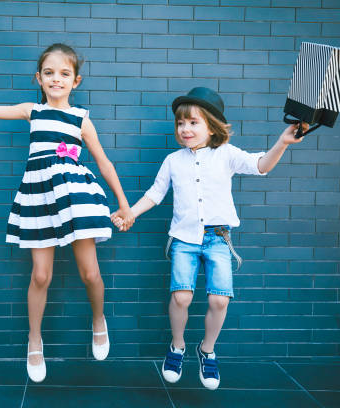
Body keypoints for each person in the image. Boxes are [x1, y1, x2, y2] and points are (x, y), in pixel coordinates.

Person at [0, 43, 135, 383]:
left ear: (75, 81)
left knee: (90, 273)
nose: (56, 79)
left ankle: (98, 320)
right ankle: (35, 339)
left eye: (64, 74)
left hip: (75, 197)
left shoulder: (82, 119)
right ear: (39, 77)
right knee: (41, 276)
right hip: (38, 197)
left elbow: (104, 163)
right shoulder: (32, 111)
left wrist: (123, 203)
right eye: (49, 73)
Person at [112, 87, 306, 390]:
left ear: (212, 125)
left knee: (219, 299)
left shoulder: (226, 154)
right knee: (181, 296)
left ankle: (207, 350)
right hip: (184, 241)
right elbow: (154, 194)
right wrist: (129, 214)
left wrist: (282, 142)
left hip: (217, 239)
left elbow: (261, 166)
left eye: (193, 122)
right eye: (180, 123)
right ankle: (177, 346)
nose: (185, 129)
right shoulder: (173, 161)